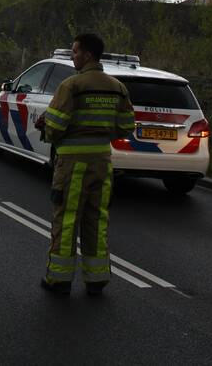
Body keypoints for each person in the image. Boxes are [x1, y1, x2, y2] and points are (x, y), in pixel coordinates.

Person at [38, 33, 135, 297]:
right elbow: (126, 127)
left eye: (76, 51)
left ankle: (59, 279)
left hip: (72, 165)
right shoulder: (117, 88)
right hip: (103, 164)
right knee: (97, 220)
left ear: (88, 55)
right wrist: (100, 131)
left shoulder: (71, 86)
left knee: (67, 220)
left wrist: (45, 126)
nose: (73, 55)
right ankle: (97, 279)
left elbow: (56, 126)